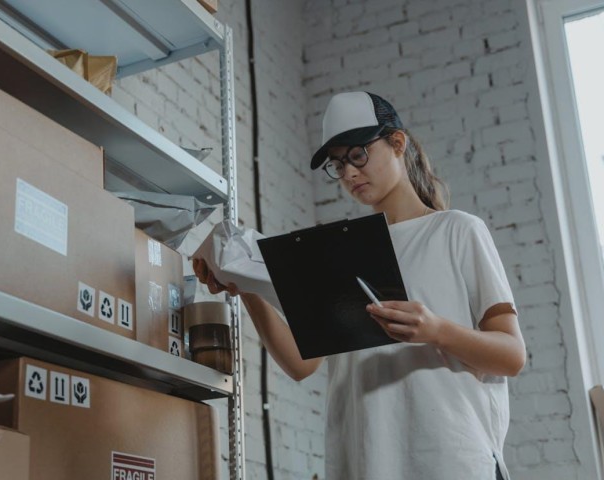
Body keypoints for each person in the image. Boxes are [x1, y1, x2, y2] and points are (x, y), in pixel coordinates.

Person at [193, 91, 525, 480]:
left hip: (451, 460)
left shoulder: (456, 230)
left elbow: (511, 354)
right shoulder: (337, 251)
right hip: (365, 462)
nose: (349, 173)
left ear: (397, 143)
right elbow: (302, 365)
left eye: (357, 155)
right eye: (338, 164)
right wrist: (245, 284)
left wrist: (437, 331)